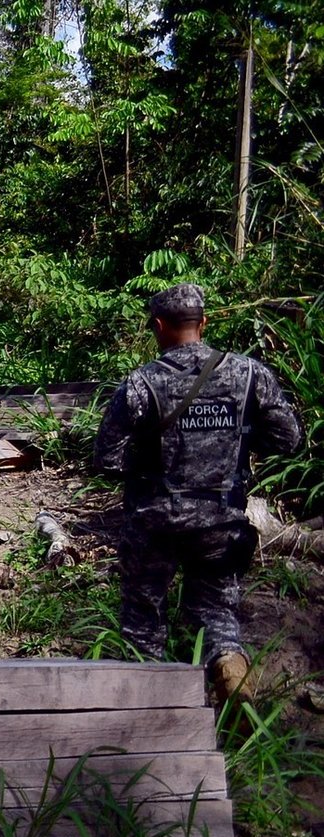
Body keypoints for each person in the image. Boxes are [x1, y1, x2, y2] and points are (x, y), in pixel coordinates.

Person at [91, 283, 302, 700]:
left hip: (156, 523)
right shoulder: (249, 374)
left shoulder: (140, 383)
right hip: (222, 522)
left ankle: (151, 711)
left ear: (158, 326)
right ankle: (228, 665)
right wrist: (236, 443)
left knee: (144, 620)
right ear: (203, 323)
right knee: (216, 612)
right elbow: (289, 439)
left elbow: (107, 460)